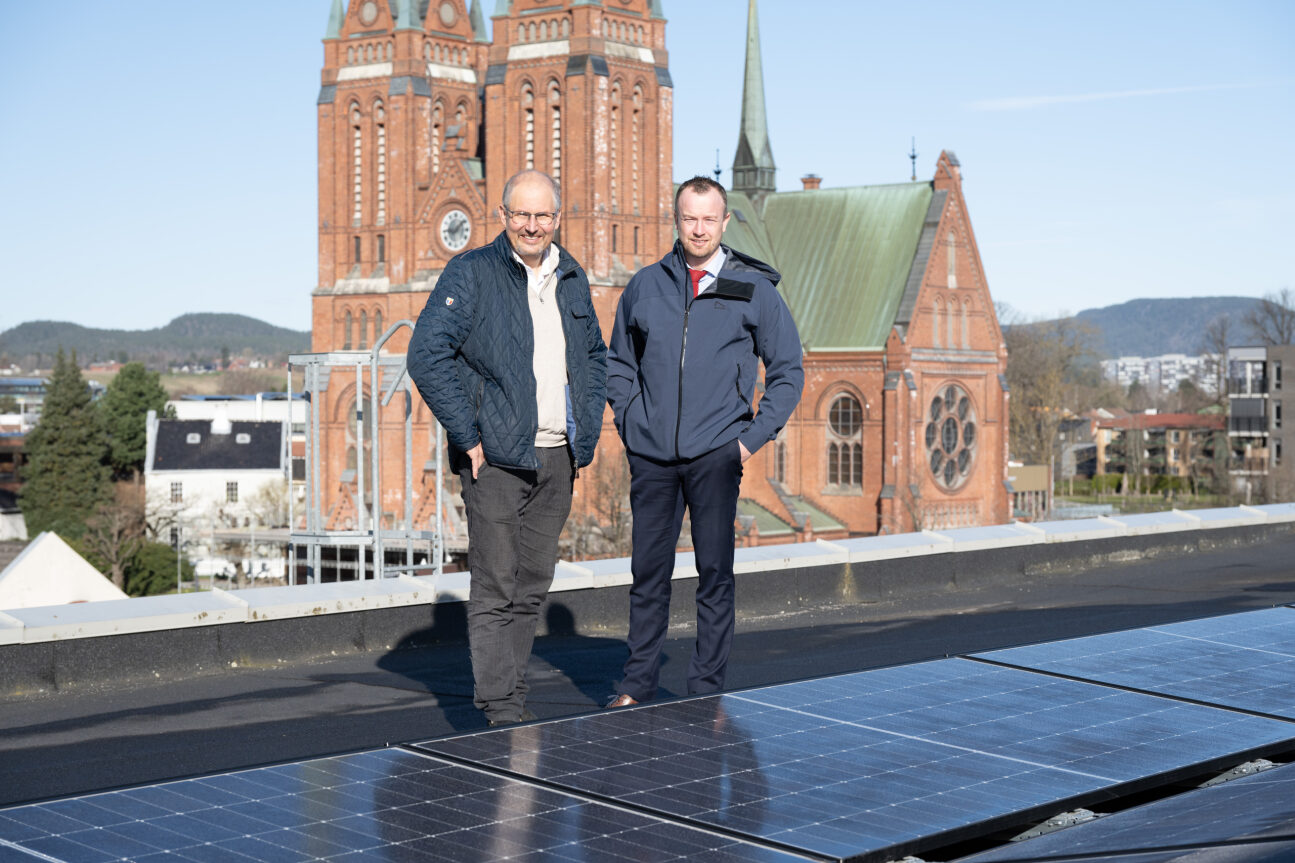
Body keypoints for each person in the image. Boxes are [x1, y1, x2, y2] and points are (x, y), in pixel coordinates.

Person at [408, 169, 607, 726]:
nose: (532, 225)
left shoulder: (571, 275)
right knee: (496, 585)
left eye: (543, 215)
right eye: (522, 214)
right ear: (503, 216)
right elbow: (426, 355)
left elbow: (593, 354)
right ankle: (501, 711)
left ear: (557, 219)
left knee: (531, 586)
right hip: (494, 460)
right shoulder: (471, 272)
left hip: (556, 456)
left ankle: (510, 697)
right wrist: (467, 436)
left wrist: (584, 429)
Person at [605, 176, 803, 707]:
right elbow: (618, 363)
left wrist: (747, 442)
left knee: (713, 575)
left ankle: (705, 691)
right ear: (677, 218)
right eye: (689, 217)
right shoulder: (647, 284)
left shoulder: (751, 289)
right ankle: (636, 685)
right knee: (648, 574)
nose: (698, 228)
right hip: (651, 456)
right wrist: (629, 422)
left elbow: (788, 373)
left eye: (708, 218)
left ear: (724, 222)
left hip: (718, 453)